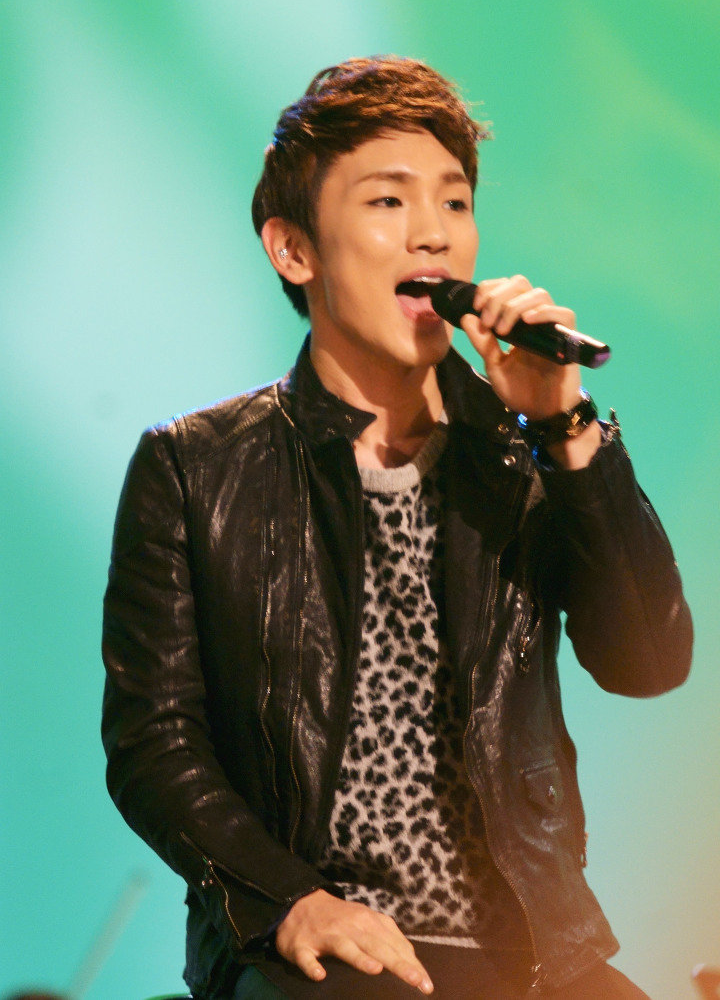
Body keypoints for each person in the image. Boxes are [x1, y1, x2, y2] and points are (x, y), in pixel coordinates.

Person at [101, 56, 693, 1000]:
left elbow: (649, 660)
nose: (433, 232)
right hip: (316, 947)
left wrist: (564, 426)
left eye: (455, 202)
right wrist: (291, 899)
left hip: (536, 949)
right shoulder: (196, 466)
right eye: (388, 200)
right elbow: (154, 742)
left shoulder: (521, 451)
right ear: (294, 250)